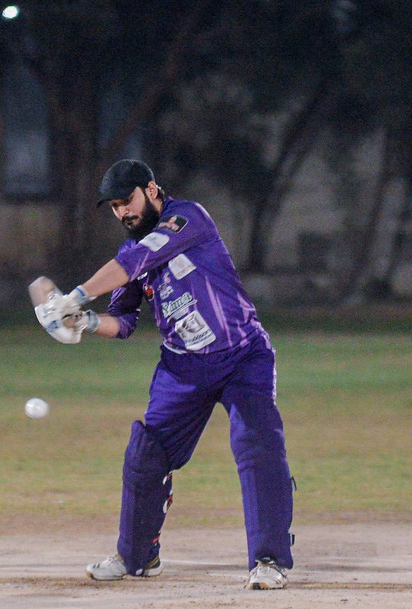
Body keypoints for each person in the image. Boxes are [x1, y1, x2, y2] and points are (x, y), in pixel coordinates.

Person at [31, 160, 294, 589]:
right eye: (114, 207)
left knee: (257, 444)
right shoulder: (131, 253)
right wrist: (86, 321)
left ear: (151, 190)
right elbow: (123, 321)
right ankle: (137, 557)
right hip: (182, 368)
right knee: (145, 455)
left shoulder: (187, 218)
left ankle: (269, 560)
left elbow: (138, 257)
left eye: (127, 201)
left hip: (242, 356)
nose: (123, 212)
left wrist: (73, 296)